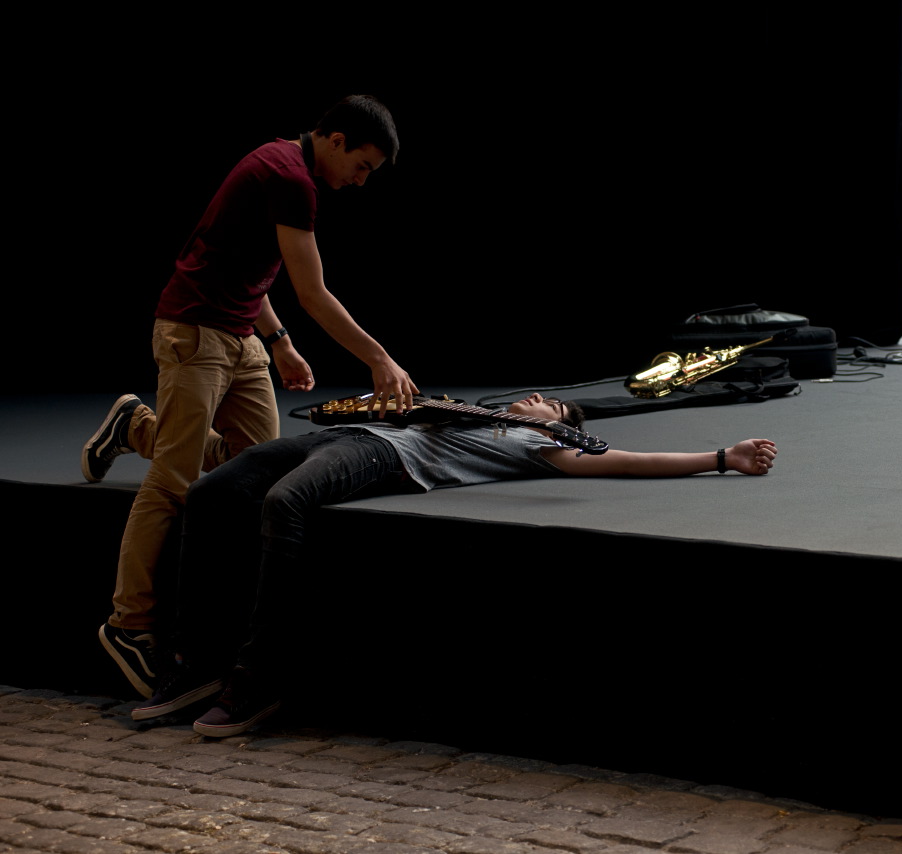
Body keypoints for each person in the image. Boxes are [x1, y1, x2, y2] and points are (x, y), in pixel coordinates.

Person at [121, 393, 778, 736]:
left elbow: (629, 461)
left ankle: (258, 677)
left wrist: (723, 457)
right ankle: (193, 662)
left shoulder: (540, 443)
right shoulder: (467, 412)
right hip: (348, 434)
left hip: (384, 459)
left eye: (550, 403)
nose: (536, 398)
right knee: (211, 493)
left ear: (559, 424)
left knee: (282, 502)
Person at [86, 95, 420, 700]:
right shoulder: (289, 178)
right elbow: (313, 292)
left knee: (254, 466)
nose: (361, 181)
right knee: (173, 481)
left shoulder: (286, 165)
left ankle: (136, 426)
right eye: (362, 166)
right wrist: (379, 358)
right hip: (194, 333)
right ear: (336, 140)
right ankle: (128, 625)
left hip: (241, 336)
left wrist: (279, 341)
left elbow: (246, 261)